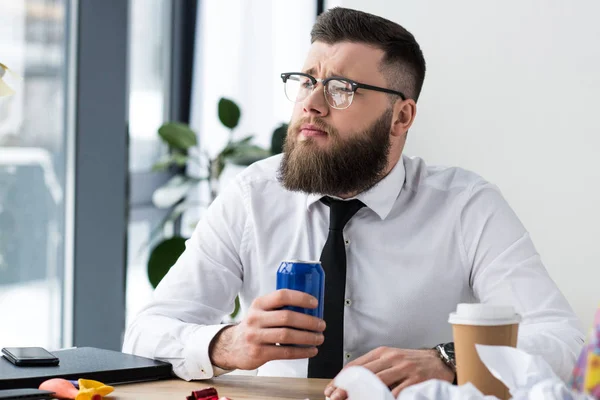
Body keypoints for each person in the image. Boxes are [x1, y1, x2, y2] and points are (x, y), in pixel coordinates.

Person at [123, 7, 584, 399]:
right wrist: (229, 343)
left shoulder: (467, 206)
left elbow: (562, 339)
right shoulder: (252, 194)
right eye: (307, 81)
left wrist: (447, 360)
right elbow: (147, 332)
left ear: (401, 116)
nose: (312, 104)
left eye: (341, 88)